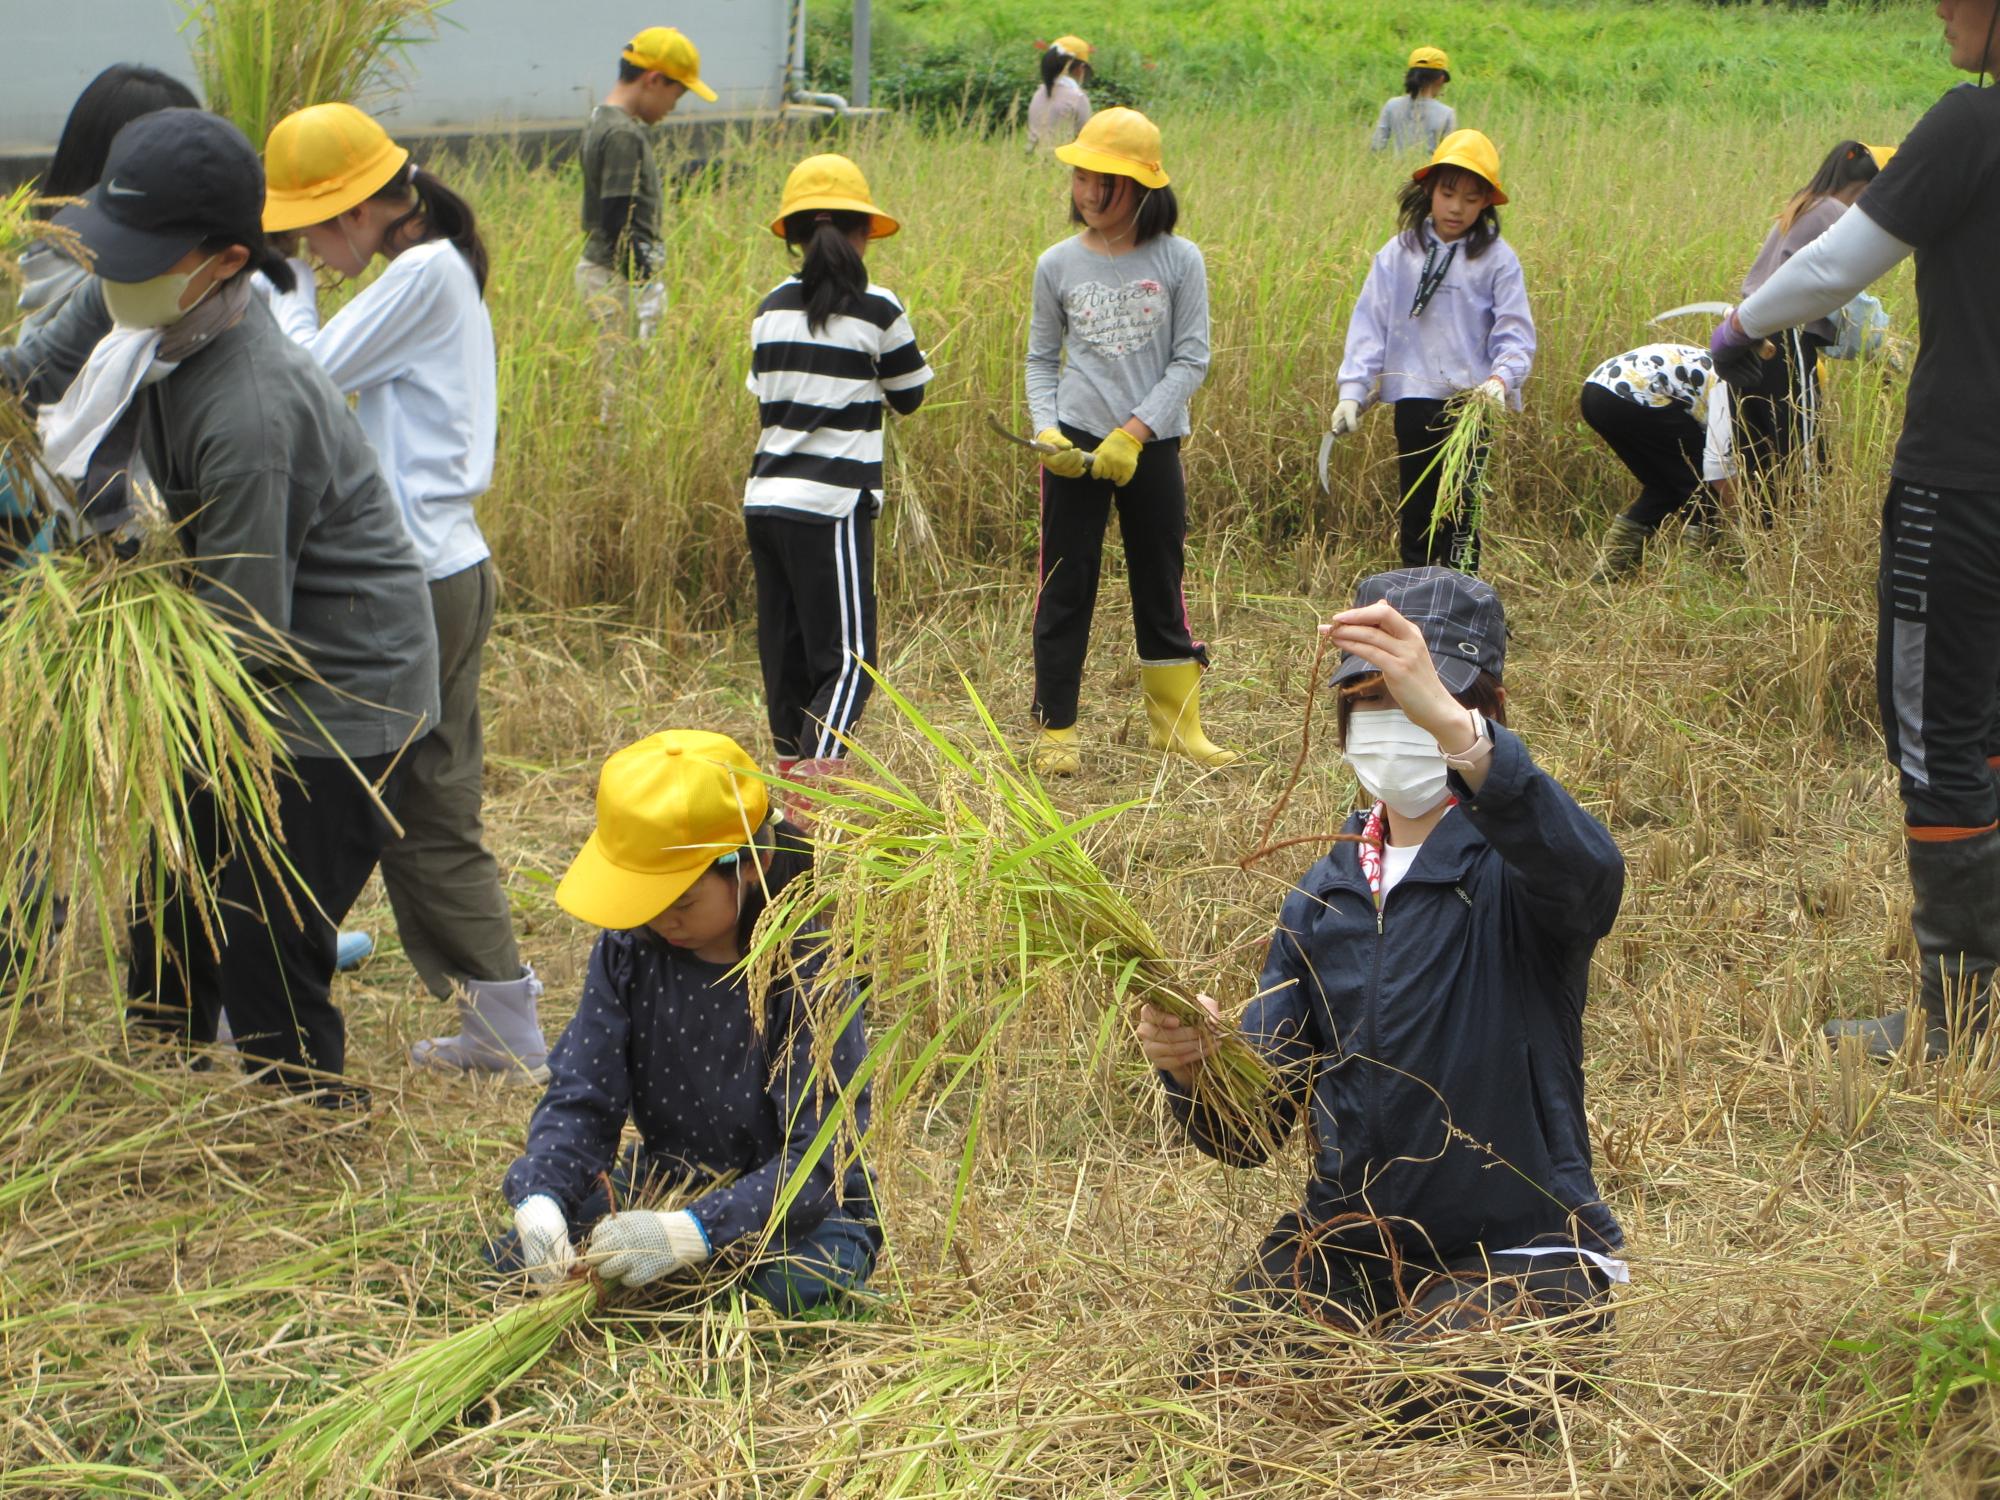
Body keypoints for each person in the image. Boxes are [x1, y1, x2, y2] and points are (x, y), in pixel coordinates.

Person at [1138, 568, 1626, 1434]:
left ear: (1475, 710)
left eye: (1418, 701)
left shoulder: (1519, 866)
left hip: (1520, 1251)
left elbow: (1592, 877)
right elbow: (1250, 1133)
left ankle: (1488, 1338)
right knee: (1224, 1405)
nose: (1395, 727)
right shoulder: (1321, 897)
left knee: (1426, 1400)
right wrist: (1200, 1068)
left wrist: (1457, 731)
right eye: (1373, 704)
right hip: (1352, 1249)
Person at [38, 108, 438, 1099]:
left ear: (221, 258)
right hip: (239, 659)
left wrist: (88, 662)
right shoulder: (149, 312)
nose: (109, 273)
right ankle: (164, 1081)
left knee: (267, 929)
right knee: (172, 891)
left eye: (134, 257)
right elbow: (34, 372)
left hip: (340, 694)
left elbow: (241, 629)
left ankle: (302, 1129)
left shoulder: (250, 405)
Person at [1710, 0, 2000, 1061]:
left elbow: (1836, 267)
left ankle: (1956, 1017)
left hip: (1960, 485)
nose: (1938, 9)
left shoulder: (1969, 124)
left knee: (1936, 735)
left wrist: (1741, 323)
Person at [259, 103, 549, 1081]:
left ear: (352, 212)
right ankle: (502, 1020)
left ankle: (264, 992)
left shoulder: (423, 271)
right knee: (427, 803)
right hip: (444, 570)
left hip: (409, 581)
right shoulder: (433, 269)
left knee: (335, 798)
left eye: (308, 225)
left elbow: (303, 380)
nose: (305, 242)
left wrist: (284, 282)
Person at [496, 730, 878, 1314]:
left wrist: (692, 1233)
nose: (661, 921)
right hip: (666, 1185)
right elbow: (584, 1094)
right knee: (514, 1258)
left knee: (795, 1281)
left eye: (682, 901)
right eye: (645, 901)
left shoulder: (808, 963)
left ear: (754, 863)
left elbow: (822, 1162)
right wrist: (542, 1194)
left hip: (792, 1212)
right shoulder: (630, 947)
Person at [1026, 107, 1235, 777]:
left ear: (1144, 186)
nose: (1089, 192)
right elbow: (1039, 361)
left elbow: (1190, 360)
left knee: (1160, 578)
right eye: (1083, 178)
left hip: (1152, 445)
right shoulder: (1055, 264)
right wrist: (1046, 428)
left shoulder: (1180, 260)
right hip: (1076, 447)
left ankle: (1176, 728)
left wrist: (1135, 432)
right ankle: (1055, 728)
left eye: (1105, 181)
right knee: (1065, 584)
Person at [744, 155, 932, 788]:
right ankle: (811, 804)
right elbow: (910, 395)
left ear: (795, 236)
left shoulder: (769, 308)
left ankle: (790, 790)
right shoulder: (877, 309)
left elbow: (764, 393)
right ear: (862, 233)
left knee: (788, 660)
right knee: (851, 663)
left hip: (766, 501)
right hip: (831, 504)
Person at [1332, 130, 1534, 574]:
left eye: (1470, 197)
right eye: (1447, 193)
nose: (1456, 207)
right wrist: (1353, 389)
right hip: (1413, 398)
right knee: (1418, 509)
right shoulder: (1398, 255)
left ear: (1487, 204)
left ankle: (1461, 604)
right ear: (1428, 190)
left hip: (1473, 404)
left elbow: (1515, 333)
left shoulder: (1497, 260)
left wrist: (1500, 380)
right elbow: (1370, 324)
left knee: (1463, 512)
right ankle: (1415, 605)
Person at [1731, 140, 1892, 509]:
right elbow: (1846, 294)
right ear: (1870, 187)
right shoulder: (1835, 212)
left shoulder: (1806, 202)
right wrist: (1881, 340)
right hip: (1784, 335)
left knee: (1757, 446)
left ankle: (1762, 540)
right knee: (1800, 450)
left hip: (1747, 332)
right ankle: (1802, 537)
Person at [576, 25, 714, 359]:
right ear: (653, 80)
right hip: (616, 277)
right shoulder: (623, 134)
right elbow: (617, 220)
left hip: (607, 272)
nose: (673, 107)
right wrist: (646, 285)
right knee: (622, 383)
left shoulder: (600, 119)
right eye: (676, 95)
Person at [1580, 342, 1737, 581]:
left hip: (1596, 391)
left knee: (1663, 485)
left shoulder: (1735, 369)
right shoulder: (1739, 385)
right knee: (1701, 485)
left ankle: (1610, 572)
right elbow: (1717, 463)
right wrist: (1741, 512)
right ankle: (1695, 576)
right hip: (1634, 391)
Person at [1370, 46, 1457, 154]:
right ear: (1441, 79)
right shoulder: (1447, 113)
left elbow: (1377, 145)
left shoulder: (1392, 105)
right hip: (1431, 171)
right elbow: (1448, 156)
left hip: (1397, 169)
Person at [1027, 35, 1094, 152]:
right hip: (1060, 164)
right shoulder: (1077, 98)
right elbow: (1086, 139)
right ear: (1080, 67)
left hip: (1031, 161)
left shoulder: (1038, 93)